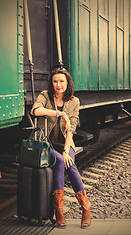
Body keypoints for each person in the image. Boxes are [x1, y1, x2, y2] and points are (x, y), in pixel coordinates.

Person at [30, 67, 91, 228]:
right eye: (55, 81)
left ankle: (83, 207)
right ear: (52, 82)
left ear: (67, 82)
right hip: (46, 143)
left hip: (65, 143)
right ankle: (60, 209)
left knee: (67, 162)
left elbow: (71, 128)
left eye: (61, 81)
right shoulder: (45, 96)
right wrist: (60, 114)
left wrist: (65, 151)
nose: (58, 85)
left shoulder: (74, 101)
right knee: (59, 160)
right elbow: (35, 110)